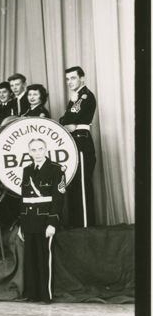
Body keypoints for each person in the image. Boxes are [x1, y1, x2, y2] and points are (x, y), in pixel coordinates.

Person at [17, 137, 65, 302]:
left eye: (40, 149)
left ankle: (46, 295)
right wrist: (22, 225)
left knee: (44, 259)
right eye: (33, 150)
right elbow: (24, 198)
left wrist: (52, 223)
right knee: (30, 259)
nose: (37, 153)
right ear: (29, 152)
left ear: (45, 150)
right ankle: (33, 294)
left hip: (45, 221)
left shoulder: (56, 169)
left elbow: (58, 198)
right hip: (29, 220)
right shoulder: (27, 169)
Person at [59, 66, 98, 228]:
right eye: (67, 79)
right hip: (74, 142)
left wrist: (69, 120)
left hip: (82, 142)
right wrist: (68, 121)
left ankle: (85, 226)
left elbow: (69, 118)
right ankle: (76, 226)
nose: (69, 82)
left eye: (73, 78)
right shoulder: (76, 97)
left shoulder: (85, 96)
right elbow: (64, 121)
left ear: (82, 78)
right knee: (74, 184)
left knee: (82, 185)